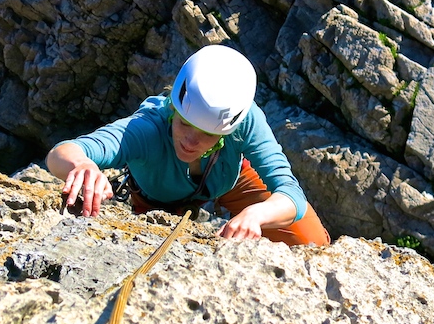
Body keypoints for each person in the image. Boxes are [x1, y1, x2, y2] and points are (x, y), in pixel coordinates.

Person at [46, 45, 330, 246]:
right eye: (183, 124)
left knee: (311, 241)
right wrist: (82, 165)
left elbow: (291, 193)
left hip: (229, 179)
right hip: (158, 202)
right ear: (173, 110)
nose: (190, 141)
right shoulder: (148, 129)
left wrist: (256, 214)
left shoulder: (245, 120)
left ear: (225, 133)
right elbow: (62, 153)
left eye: (207, 134)